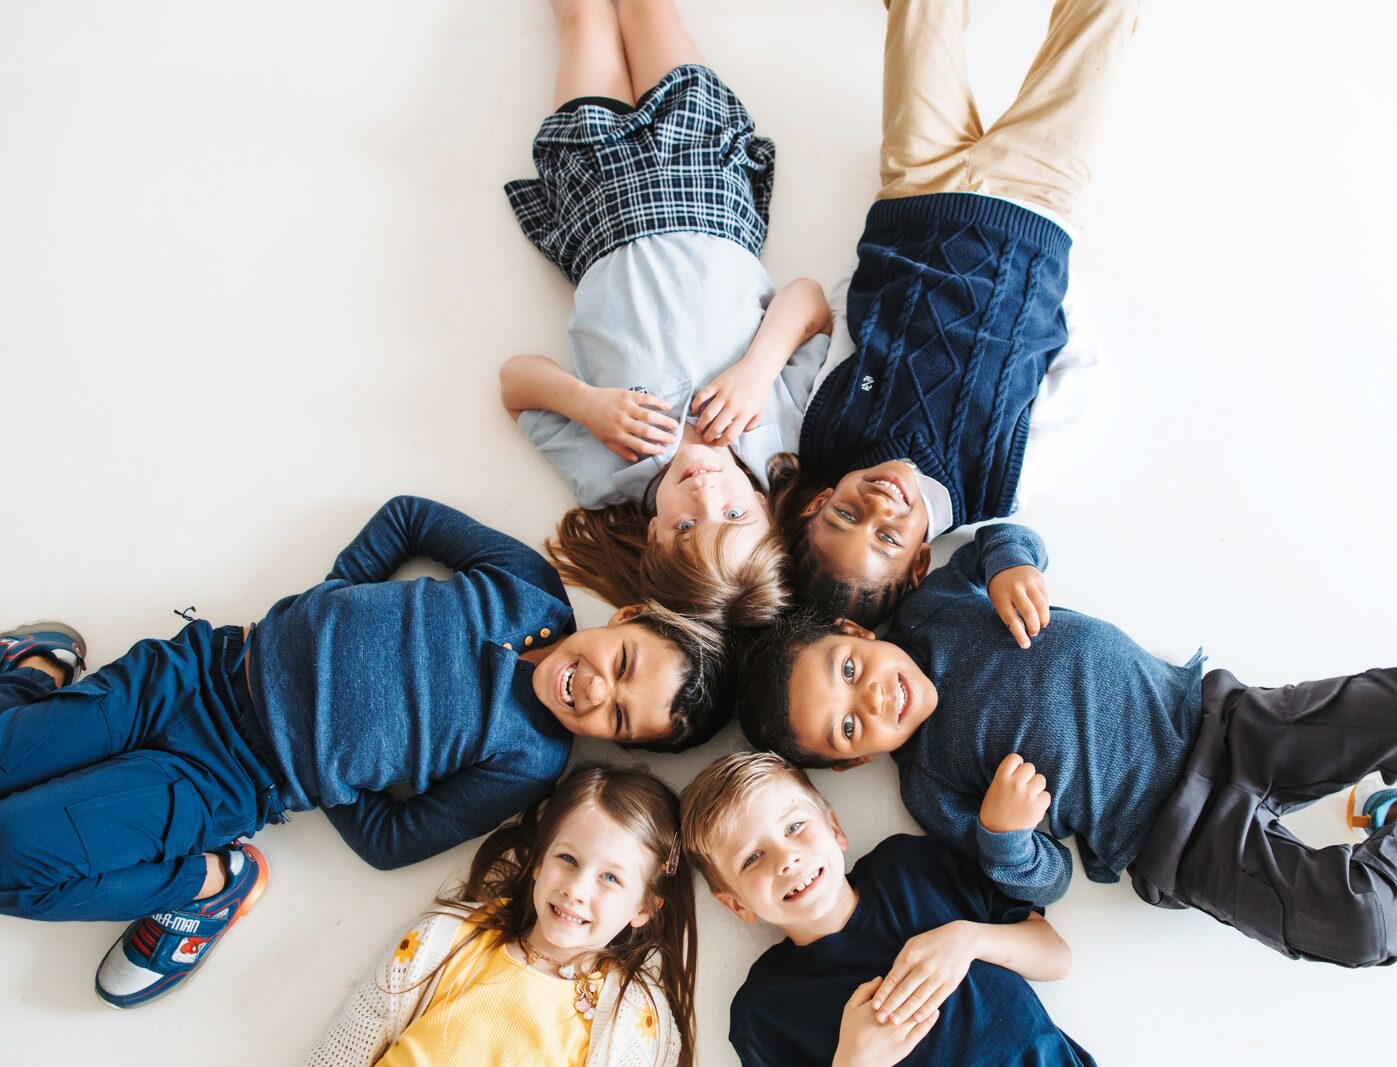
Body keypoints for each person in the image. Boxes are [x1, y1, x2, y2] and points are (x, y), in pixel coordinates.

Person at [0, 495, 727, 1008]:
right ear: (627, 616)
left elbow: (391, 840)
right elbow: (409, 516)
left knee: (10, 856)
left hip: (221, 778)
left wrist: (322, 764)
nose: (598, 690)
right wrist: (334, 598)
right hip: (197, 667)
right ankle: (30, 674)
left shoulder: (531, 758)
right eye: (624, 661)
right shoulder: (528, 588)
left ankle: (207, 885)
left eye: (620, 718)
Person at [735, 523, 1397, 967]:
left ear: (853, 629)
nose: (874, 696)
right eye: (849, 725)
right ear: (850, 760)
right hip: (1179, 841)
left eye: (849, 667)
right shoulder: (930, 784)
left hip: (1223, 724)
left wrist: (1009, 568)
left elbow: (1000, 535)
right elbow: (1047, 880)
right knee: (1360, 922)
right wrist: (1005, 833)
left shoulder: (934, 609)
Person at [774, 0, 1139, 628]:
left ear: (818, 505)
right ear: (920, 562)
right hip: (1035, 205)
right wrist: (1046, 277)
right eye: (888, 537)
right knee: (1104, 18)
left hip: (915, 188)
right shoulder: (1000, 485)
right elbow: (1080, 378)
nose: (878, 508)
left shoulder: (824, 432)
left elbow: (841, 317)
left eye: (847, 517)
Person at [500, 0, 832, 628]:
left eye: (686, 525)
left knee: (584, 17)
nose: (706, 494)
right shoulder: (782, 437)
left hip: (600, 209)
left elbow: (514, 383)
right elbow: (810, 300)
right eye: (734, 515)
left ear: (653, 537)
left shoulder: (608, 476)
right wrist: (758, 369)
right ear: (770, 516)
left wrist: (583, 403)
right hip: (706, 188)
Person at [680, 752, 1091, 1067]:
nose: (786, 859)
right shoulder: (764, 1009)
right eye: (752, 858)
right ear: (736, 904)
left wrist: (968, 939)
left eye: (794, 827)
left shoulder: (910, 866)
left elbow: (1058, 957)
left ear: (835, 829)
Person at [305, 762, 694, 1067]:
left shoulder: (636, 1019)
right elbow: (342, 1049)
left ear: (644, 907)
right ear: (539, 862)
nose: (576, 889)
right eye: (568, 859)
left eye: (610, 877)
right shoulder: (441, 942)